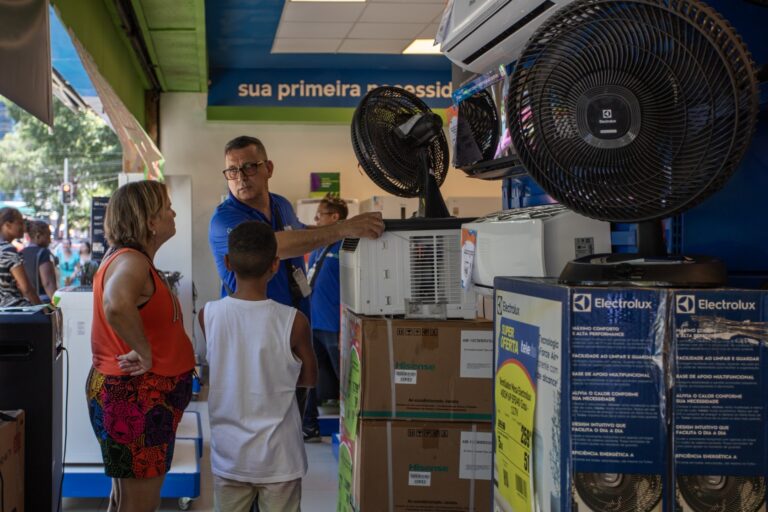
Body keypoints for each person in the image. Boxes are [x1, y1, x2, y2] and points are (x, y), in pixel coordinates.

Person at [86, 181, 195, 512]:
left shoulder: (131, 259)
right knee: (139, 504)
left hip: (135, 398)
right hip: (136, 397)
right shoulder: (131, 261)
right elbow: (116, 303)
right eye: (167, 207)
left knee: (125, 499)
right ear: (150, 220)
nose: (173, 212)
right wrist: (144, 351)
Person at [198, 221, 317, 512]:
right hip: (280, 457)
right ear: (275, 265)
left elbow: (209, 367)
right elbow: (310, 378)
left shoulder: (208, 315)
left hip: (230, 457)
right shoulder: (294, 321)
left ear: (227, 262)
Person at [208, 135, 385, 319]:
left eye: (249, 167)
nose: (241, 178)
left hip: (294, 318)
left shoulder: (281, 204)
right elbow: (272, 246)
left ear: (268, 168)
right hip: (252, 327)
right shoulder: (224, 218)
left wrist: (352, 225)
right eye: (232, 171)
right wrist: (344, 228)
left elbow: (302, 232)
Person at [302, 195, 348, 442]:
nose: (316, 218)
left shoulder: (347, 246)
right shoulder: (319, 246)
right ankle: (309, 427)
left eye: (320, 214)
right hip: (313, 324)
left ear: (335, 217)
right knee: (308, 377)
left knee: (345, 380)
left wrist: (346, 326)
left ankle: (349, 431)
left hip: (334, 326)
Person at [0, 207, 41, 307]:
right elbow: (26, 288)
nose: (24, 228)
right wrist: (42, 309)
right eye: (20, 223)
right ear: (7, 225)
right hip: (12, 310)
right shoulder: (8, 250)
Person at [22, 220, 57, 302]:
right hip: (42, 300)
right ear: (38, 236)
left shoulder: (21, 253)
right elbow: (48, 283)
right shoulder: (43, 253)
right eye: (48, 236)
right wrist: (56, 304)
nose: (50, 240)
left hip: (26, 301)